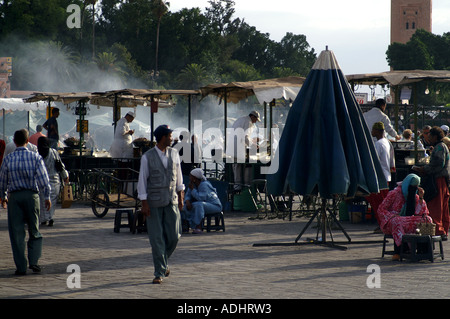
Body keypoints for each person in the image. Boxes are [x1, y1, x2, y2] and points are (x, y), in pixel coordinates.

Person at [137, 124, 184, 284]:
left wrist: (181, 196)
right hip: (154, 203)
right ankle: (159, 272)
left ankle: (163, 263)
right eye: (170, 136)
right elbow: (142, 181)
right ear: (163, 137)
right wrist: (144, 203)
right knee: (157, 239)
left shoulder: (175, 154)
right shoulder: (147, 157)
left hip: (172, 200)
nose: (172, 138)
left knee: (174, 236)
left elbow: (179, 178)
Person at [0, 129, 51, 275]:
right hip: (32, 196)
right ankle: (34, 261)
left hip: (15, 198)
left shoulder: (8, 159)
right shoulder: (35, 157)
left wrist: (3, 196)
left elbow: (2, 180)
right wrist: (47, 197)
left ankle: (21, 267)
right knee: (34, 229)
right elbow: (43, 180)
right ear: (28, 141)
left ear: (14, 142)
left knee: (16, 233)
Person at [377, 174, 433, 261]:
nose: (413, 188)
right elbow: (381, 209)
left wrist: (421, 198)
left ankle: (423, 250)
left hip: (407, 220)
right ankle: (400, 251)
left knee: (427, 219)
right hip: (393, 221)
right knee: (397, 221)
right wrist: (392, 216)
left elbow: (421, 212)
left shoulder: (415, 196)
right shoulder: (394, 194)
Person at [412, 126, 450, 240]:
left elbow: (438, 164)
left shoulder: (439, 147)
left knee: (436, 206)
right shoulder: (441, 146)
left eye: (430, 136)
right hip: (442, 180)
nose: (428, 138)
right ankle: (442, 231)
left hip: (438, 180)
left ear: (435, 136)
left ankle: (438, 231)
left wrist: (424, 169)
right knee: (442, 207)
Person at [365, 122, 395, 231]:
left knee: (378, 203)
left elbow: (374, 161)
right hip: (386, 177)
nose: (372, 132)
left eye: (373, 130)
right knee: (383, 203)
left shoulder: (378, 144)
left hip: (379, 178)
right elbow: (392, 162)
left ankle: (383, 224)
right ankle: (384, 223)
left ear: (377, 131)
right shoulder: (388, 142)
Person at [37, 137, 69, 226]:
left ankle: (43, 219)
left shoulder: (36, 154)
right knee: (52, 200)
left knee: (42, 201)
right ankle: (50, 217)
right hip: (54, 181)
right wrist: (65, 176)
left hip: (41, 182)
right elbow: (60, 165)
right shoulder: (53, 152)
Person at [226, 110, 261, 190]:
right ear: (252, 116)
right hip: (237, 149)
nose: (255, 122)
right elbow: (245, 137)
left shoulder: (241, 119)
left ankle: (237, 187)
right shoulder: (248, 122)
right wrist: (253, 145)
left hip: (233, 147)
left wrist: (252, 142)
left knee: (236, 168)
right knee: (238, 168)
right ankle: (239, 188)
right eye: (255, 120)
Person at [182, 168, 222, 234]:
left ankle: (199, 227)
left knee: (199, 205)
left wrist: (193, 190)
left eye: (191, 176)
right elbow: (188, 195)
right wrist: (187, 201)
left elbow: (201, 198)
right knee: (185, 205)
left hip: (214, 205)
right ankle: (186, 225)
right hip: (202, 203)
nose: (189, 178)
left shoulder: (204, 185)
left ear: (195, 178)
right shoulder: (192, 185)